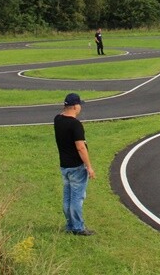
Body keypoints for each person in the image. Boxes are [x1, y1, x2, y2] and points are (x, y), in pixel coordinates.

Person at [54, 93, 95, 235]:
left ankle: (70, 224)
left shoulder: (58, 120)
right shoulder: (75, 125)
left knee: (67, 197)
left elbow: (62, 114)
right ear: (75, 106)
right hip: (76, 166)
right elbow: (80, 147)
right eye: (79, 105)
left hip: (64, 165)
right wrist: (89, 166)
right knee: (77, 198)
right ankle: (78, 227)